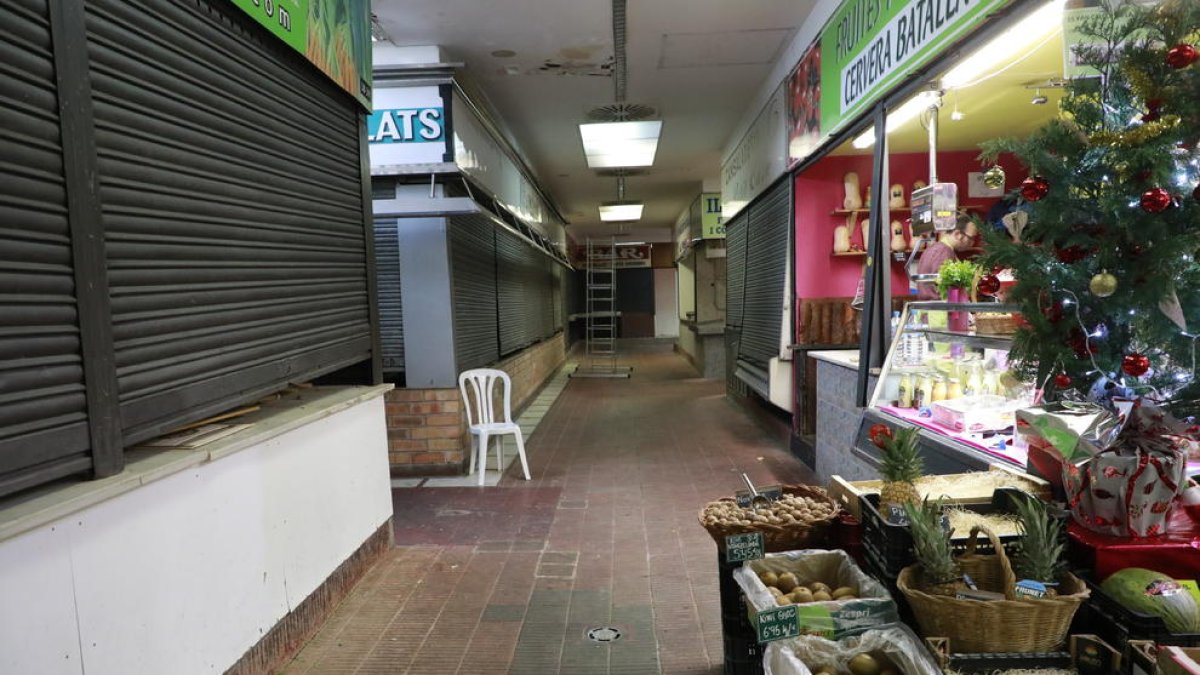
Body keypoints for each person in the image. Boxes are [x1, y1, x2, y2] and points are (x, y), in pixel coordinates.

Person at [916, 214, 978, 299]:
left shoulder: (936, 249)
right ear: (957, 234)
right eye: (971, 238)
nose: (972, 243)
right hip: (939, 310)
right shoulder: (943, 252)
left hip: (934, 309)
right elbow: (944, 288)